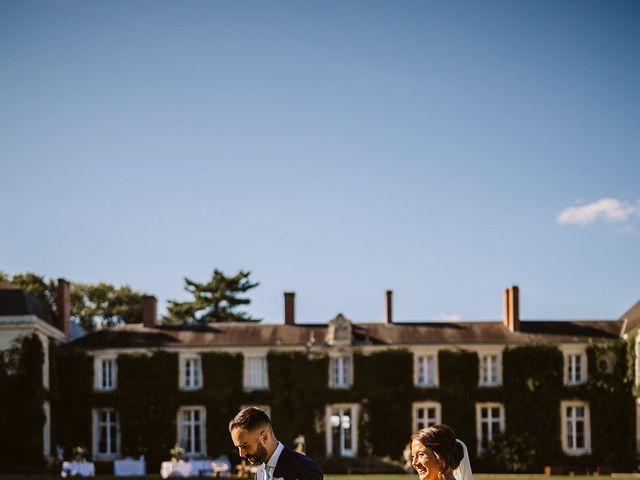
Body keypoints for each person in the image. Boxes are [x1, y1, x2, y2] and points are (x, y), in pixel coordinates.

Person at [229, 407, 323, 480]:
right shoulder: (260, 474)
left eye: (245, 445)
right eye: (238, 447)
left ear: (264, 437)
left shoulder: (305, 469)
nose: (241, 453)